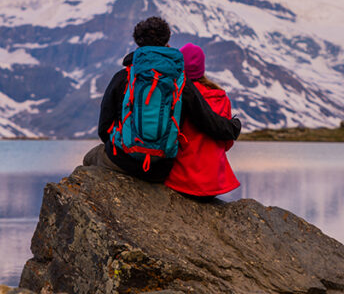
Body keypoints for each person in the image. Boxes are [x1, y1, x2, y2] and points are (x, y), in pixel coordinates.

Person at [83, 16, 241, 183]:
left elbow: (104, 128)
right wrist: (234, 127)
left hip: (122, 159)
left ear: (138, 44)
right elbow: (208, 121)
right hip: (161, 168)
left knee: (89, 159)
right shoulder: (179, 81)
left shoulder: (123, 77)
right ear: (167, 42)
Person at [164, 43, 240, 198]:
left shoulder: (176, 94)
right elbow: (226, 143)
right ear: (202, 67)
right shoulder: (220, 97)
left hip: (181, 180)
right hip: (213, 183)